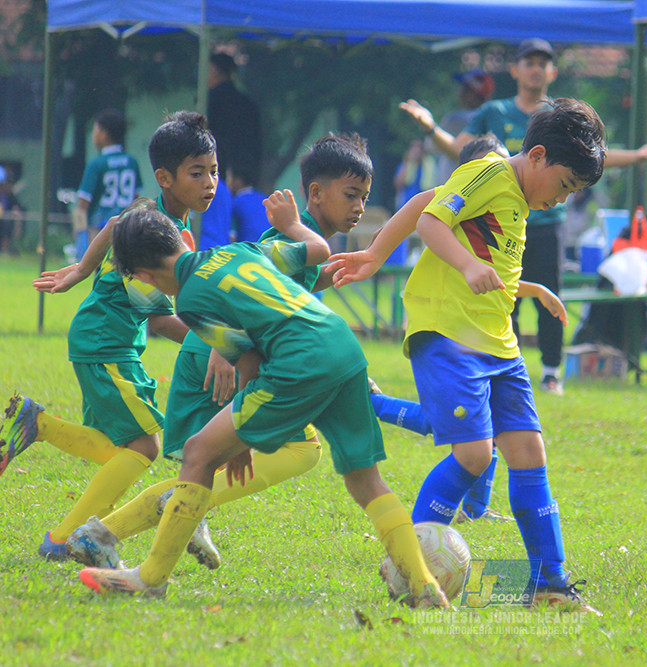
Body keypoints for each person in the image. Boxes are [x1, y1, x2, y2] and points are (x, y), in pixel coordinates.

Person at [64, 134, 428, 572]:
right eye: (351, 195)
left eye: (364, 197)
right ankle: (116, 530)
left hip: (239, 357)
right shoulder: (288, 235)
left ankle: (140, 525)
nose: (359, 207)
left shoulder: (302, 242)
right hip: (219, 360)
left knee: (227, 459)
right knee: (266, 455)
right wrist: (229, 356)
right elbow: (247, 314)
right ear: (316, 192)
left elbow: (284, 307)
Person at [385, 98, 606, 613]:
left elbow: (492, 265)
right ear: (538, 155)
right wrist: (458, 265)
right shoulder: (490, 172)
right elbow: (430, 219)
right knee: (475, 455)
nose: (561, 199)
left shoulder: (521, 201)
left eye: (572, 193)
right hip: (451, 333)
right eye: (564, 185)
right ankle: (411, 568)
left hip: (499, 344)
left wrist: (531, 289)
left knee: (529, 453)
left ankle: (549, 584)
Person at [400, 37, 647, 396]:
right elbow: (453, 162)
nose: (536, 69)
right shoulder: (494, 124)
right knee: (501, 299)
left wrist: (637, 156)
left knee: (547, 298)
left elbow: (589, 162)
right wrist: (431, 128)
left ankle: (550, 372)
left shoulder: (561, 122)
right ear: (515, 70)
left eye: (544, 63)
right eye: (530, 62)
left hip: (541, 227)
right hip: (491, 226)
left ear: (553, 72)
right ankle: (497, 367)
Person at [4, 112, 217, 560]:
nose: (209, 183)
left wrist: (84, 268)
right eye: (197, 173)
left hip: (102, 339)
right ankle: (63, 538)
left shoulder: (156, 218)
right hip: (108, 344)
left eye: (213, 171)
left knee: (121, 448)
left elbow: (115, 223)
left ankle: (36, 424)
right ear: (165, 178)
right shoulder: (163, 231)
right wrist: (218, 344)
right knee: (145, 446)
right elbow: (161, 321)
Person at [330, 134, 531, 527]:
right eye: (493, 166)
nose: (503, 174)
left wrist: (535, 290)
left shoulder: (503, 208)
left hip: (484, 337)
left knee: (481, 433)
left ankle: (474, 510)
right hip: (447, 332)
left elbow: (495, 278)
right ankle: (368, 405)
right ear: (469, 172)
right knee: (461, 432)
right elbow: (420, 209)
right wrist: (374, 255)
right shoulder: (458, 202)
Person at [73, 109, 143, 260]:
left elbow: (82, 205)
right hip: (125, 228)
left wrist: (80, 236)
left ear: (104, 134)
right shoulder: (132, 162)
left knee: (99, 269)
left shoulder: (96, 164)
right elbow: (136, 199)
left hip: (100, 229)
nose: (93, 135)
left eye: (95, 130)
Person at [433, 68, 496, 183]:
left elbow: (430, 146)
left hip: (450, 186)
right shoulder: (494, 119)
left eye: (465, 89)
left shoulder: (455, 119)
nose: (460, 92)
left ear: (473, 94)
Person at [207, 52, 262, 179]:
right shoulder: (246, 102)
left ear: (215, 71)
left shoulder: (211, 100)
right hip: (243, 170)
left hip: (217, 166)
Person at [228, 163, 270, 243]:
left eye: (229, 178)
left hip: (249, 246)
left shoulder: (236, 202)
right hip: (269, 244)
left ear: (238, 181)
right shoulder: (264, 198)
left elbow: (231, 236)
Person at [0, 166, 24, 255]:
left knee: (8, 225)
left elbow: (16, 206)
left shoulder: (9, 195)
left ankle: (5, 249)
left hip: (5, 220)